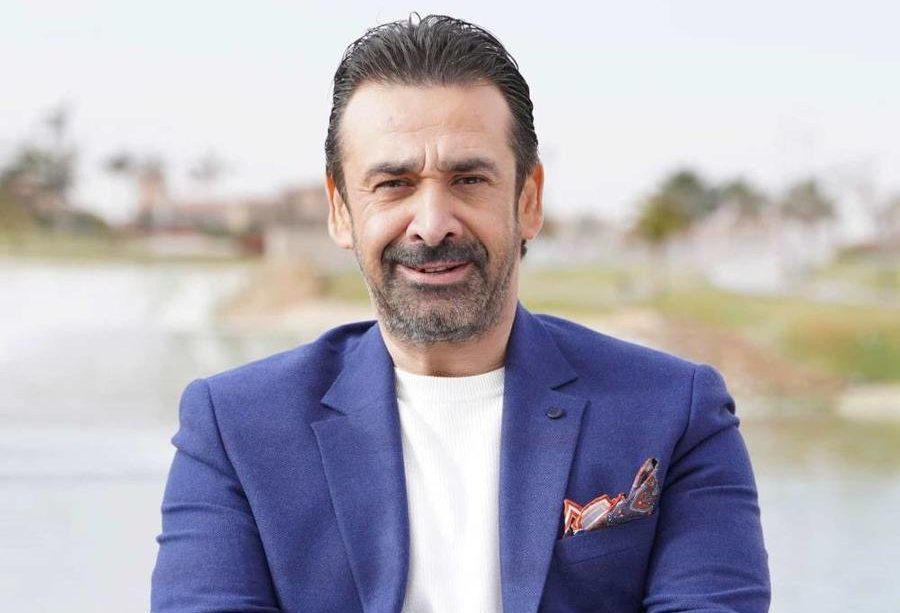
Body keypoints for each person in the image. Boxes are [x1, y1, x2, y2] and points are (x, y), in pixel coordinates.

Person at [151, 14, 770, 613]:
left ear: (528, 201)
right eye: (393, 183)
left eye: (469, 180)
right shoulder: (234, 428)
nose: (432, 223)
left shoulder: (675, 412)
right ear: (340, 210)